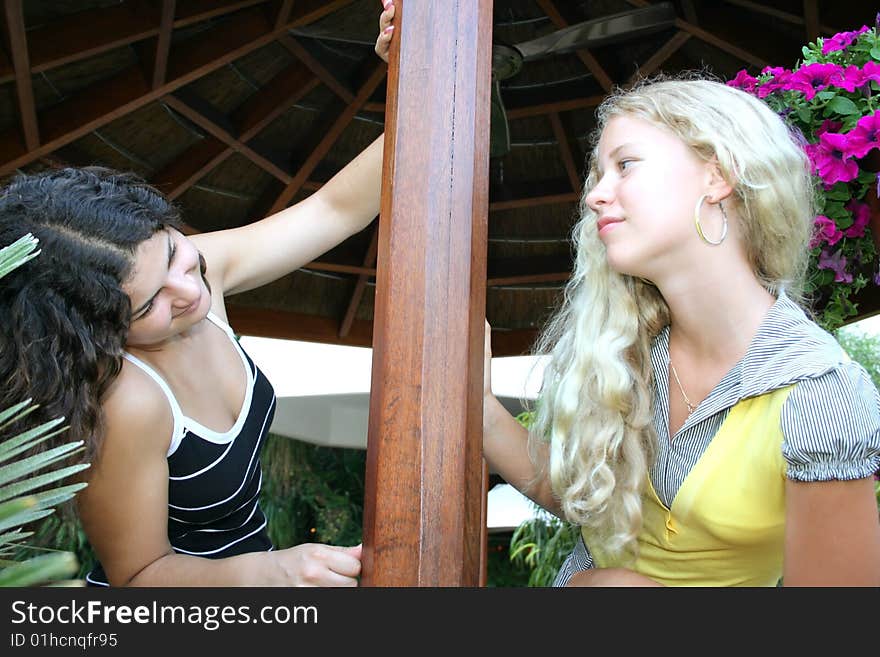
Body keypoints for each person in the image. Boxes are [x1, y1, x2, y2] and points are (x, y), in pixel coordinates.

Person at [0, 6, 397, 587]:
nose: (190, 291)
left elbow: (335, 209)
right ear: (99, 329)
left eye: (175, 254)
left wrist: (411, 81)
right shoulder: (125, 402)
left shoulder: (203, 269)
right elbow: (139, 574)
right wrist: (271, 572)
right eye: (150, 304)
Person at [483, 75, 880, 586]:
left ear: (717, 176)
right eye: (599, 175)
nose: (596, 196)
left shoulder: (822, 397)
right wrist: (481, 407)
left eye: (625, 165)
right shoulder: (627, 348)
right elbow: (586, 496)